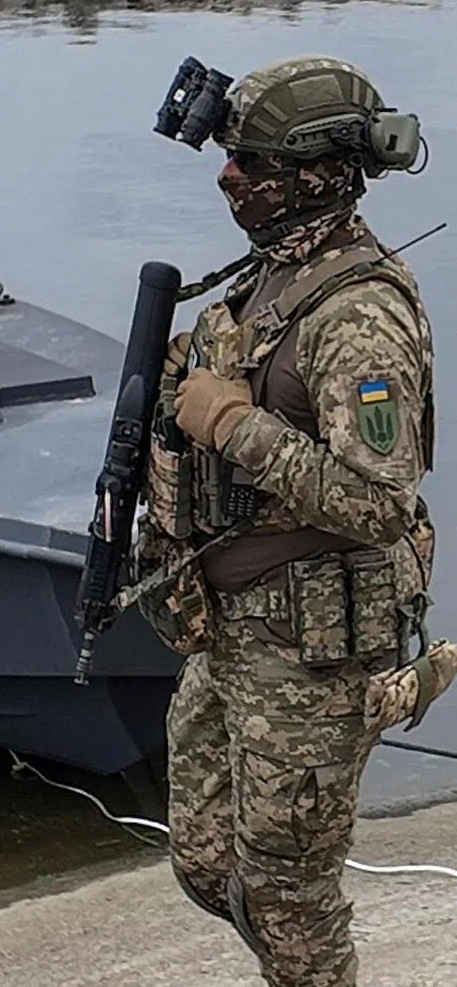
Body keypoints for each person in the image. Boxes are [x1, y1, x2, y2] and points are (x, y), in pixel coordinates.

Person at [135, 55, 445, 986]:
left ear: (317, 174)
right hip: (230, 627)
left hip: (308, 636)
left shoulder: (356, 317)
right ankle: (388, 699)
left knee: (287, 898)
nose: (228, 178)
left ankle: (369, 699)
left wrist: (232, 423)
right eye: (229, 158)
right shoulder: (270, 275)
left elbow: (382, 503)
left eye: (252, 164)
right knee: (203, 861)